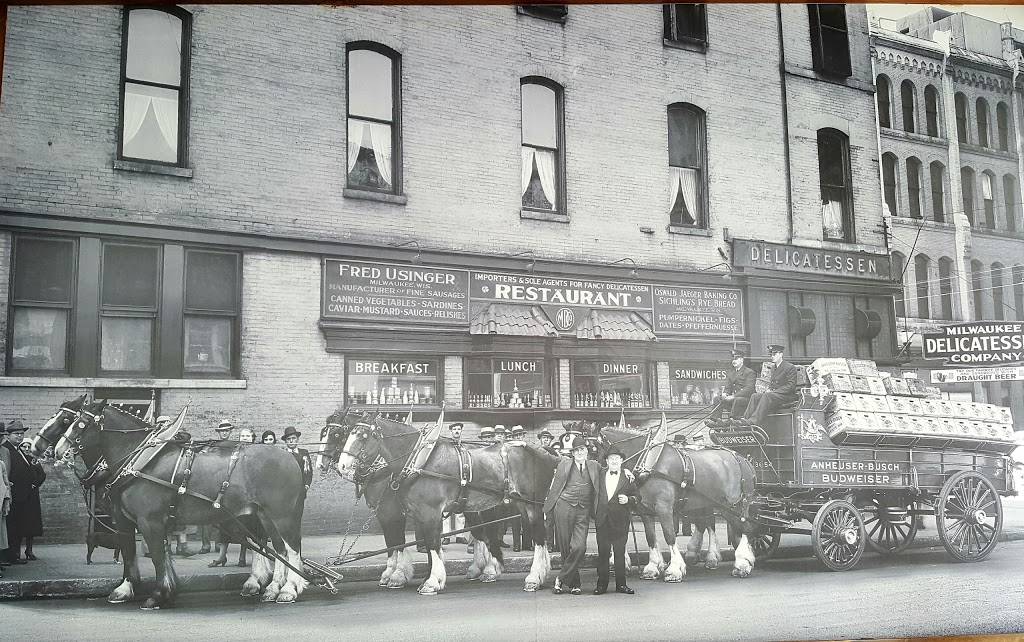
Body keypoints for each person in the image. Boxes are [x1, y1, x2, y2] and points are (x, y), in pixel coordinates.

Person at [543, 434, 600, 595]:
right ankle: (575, 583)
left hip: (583, 510)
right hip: (564, 507)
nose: (580, 452)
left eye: (582, 449)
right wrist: (525, 445)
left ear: (586, 451)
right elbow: (545, 456)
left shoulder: (594, 466)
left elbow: (610, 470)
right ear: (573, 453)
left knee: (579, 547)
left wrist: (625, 471)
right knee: (565, 547)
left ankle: (560, 578)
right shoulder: (564, 463)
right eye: (576, 450)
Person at [594, 448, 639, 595]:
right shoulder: (599, 474)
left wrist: (629, 499)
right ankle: (601, 585)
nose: (614, 461)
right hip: (602, 520)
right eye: (611, 458)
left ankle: (621, 585)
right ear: (606, 461)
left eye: (617, 458)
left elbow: (638, 497)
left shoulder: (628, 478)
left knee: (619, 554)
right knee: (603, 554)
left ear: (621, 461)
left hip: (620, 521)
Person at [5, 429, 45, 562]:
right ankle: (12, 555)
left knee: (22, 525)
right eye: (16, 434)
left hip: (27, 496)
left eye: (21, 434)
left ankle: (19, 553)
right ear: (8, 435)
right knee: (14, 526)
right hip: (15, 494)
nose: (19, 436)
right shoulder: (7, 450)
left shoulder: (23, 454)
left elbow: (41, 474)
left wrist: (33, 484)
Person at [740, 344, 800, 427]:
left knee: (767, 396)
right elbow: (773, 384)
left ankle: (753, 421)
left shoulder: (790, 367)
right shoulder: (773, 367)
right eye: (771, 354)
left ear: (781, 354)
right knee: (755, 396)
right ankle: (745, 419)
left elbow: (790, 386)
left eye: (774, 354)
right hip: (775, 395)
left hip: (787, 396)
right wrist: (769, 389)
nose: (772, 356)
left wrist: (773, 391)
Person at [708, 350, 757, 427]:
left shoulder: (749, 372)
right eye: (732, 359)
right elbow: (728, 388)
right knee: (717, 398)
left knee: (737, 399)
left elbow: (749, 389)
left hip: (746, 401)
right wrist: (725, 394)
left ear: (742, 360)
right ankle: (715, 421)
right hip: (734, 400)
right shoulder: (731, 373)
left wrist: (734, 396)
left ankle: (731, 421)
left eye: (736, 359)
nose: (733, 361)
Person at [282, 426, 313, 492]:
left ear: (297, 439)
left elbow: (309, 471)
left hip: (300, 489)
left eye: (293, 438)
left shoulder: (304, 453)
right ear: (285, 441)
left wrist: (307, 485)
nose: (291, 441)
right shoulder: (282, 453)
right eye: (288, 439)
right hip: (285, 490)